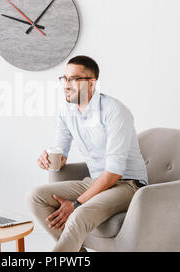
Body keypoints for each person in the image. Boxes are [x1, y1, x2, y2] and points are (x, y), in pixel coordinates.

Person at [26, 55, 148, 252]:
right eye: (64, 79)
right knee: (35, 197)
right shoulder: (67, 110)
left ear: (92, 83)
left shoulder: (114, 111)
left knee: (79, 214)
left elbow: (114, 173)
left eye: (74, 79)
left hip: (128, 185)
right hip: (96, 181)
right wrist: (49, 158)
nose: (66, 85)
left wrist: (75, 204)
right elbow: (61, 153)